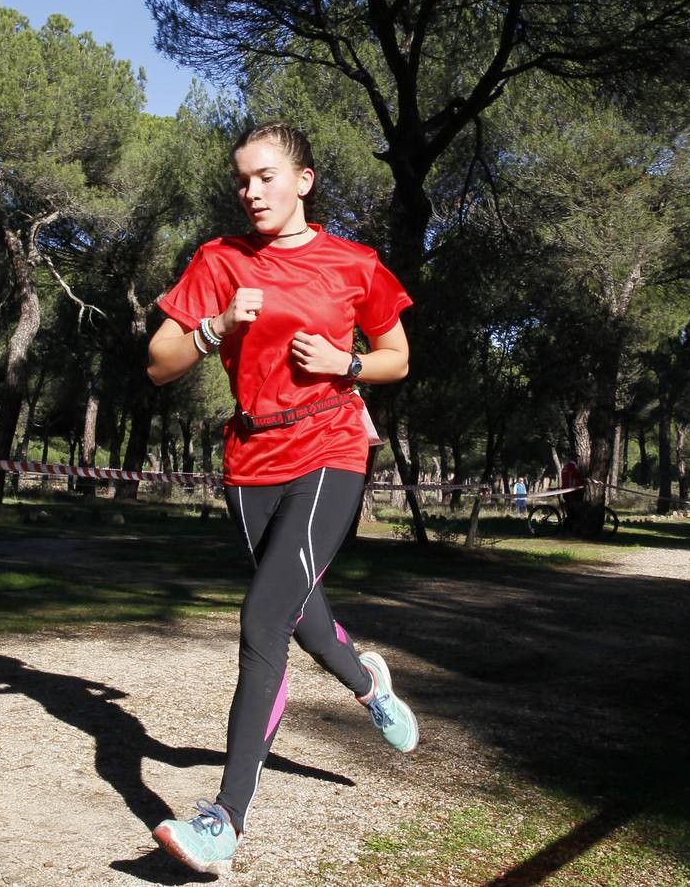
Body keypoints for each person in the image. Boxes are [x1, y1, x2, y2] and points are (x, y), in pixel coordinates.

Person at [144, 122, 417, 877]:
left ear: (303, 181)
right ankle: (368, 682)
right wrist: (215, 326)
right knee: (300, 616)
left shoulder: (353, 264)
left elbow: (397, 356)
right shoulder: (219, 259)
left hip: (330, 450)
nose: (251, 191)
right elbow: (159, 363)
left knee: (264, 615)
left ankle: (223, 822)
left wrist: (347, 362)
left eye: (266, 176)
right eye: (241, 180)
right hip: (250, 459)